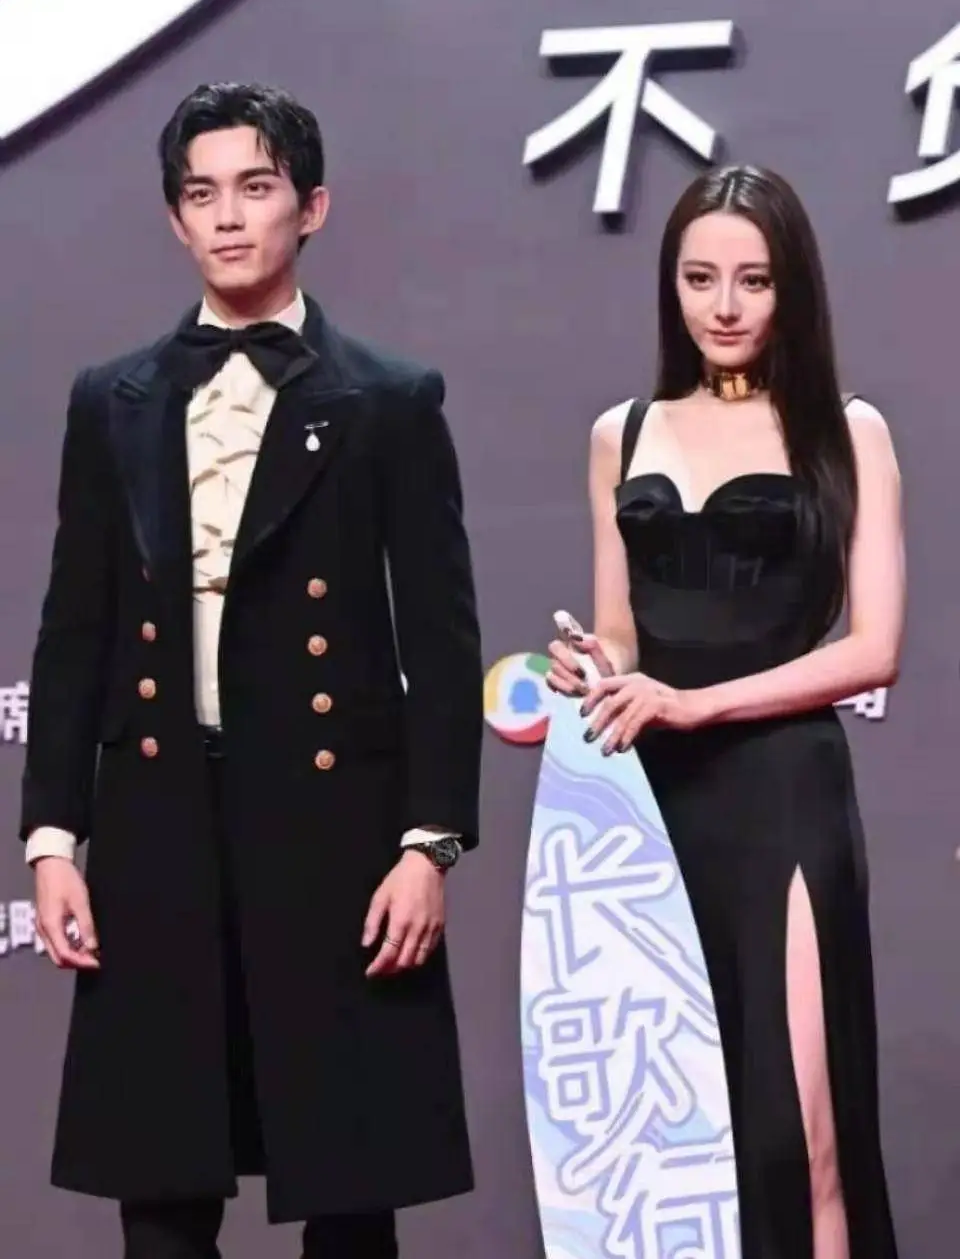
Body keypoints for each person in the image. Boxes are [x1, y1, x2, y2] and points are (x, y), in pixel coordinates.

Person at [21, 81, 483, 1259]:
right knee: (161, 1193)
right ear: (175, 218)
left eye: (256, 188)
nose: (229, 217)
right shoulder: (112, 401)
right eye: (202, 194)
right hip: (158, 823)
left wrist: (429, 844)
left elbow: (441, 642)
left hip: (337, 830)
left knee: (349, 1190)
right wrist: (54, 839)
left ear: (310, 207)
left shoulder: (388, 399)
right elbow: (74, 629)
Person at [547, 164, 902, 1259]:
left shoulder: (848, 430)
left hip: (785, 792)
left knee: (799, 1135)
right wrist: (593, 665)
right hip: (647, 813)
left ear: (792, 287)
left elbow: (873, 649)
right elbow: (621, 629)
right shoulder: (621, 432)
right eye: (699, 278)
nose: (725, 305)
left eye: (754, 279)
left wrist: (697, 706)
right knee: (671, 1141)